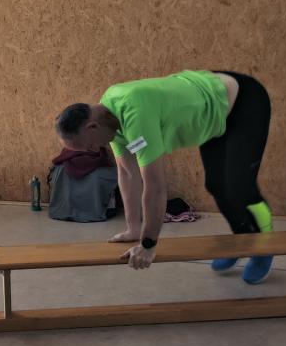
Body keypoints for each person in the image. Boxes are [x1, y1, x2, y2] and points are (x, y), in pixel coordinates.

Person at [55, 70, 273, 282]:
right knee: (217, 185)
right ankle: (242, 240)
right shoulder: (108, 120)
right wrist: (133, 228)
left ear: (92, 126)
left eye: (90, 145)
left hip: (241, 100)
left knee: (239, 188)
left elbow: (156, 186)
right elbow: (127, 173)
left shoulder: (135, 115)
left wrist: (148, 244)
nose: (95, 150)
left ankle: (265, 246)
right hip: (212, 113)